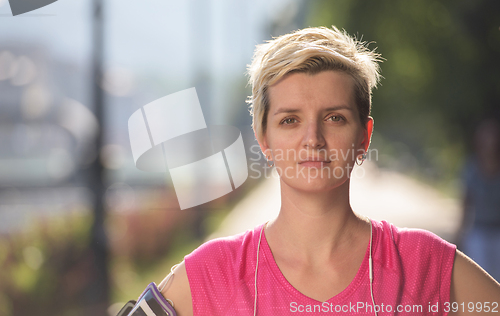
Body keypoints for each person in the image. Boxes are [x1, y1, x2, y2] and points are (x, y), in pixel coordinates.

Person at [156, 26, 500, 315]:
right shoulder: (211, 274)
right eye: (290, 120)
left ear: (364, 137)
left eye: (335, 118)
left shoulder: (425, 265)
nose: (313, 139)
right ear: (264, 140)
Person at [459, 118, 500, 282]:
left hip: (498, 231)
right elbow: (466, 203)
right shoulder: (471, 168)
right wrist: (460, 235)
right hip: (478, 232)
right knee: (481, 279)